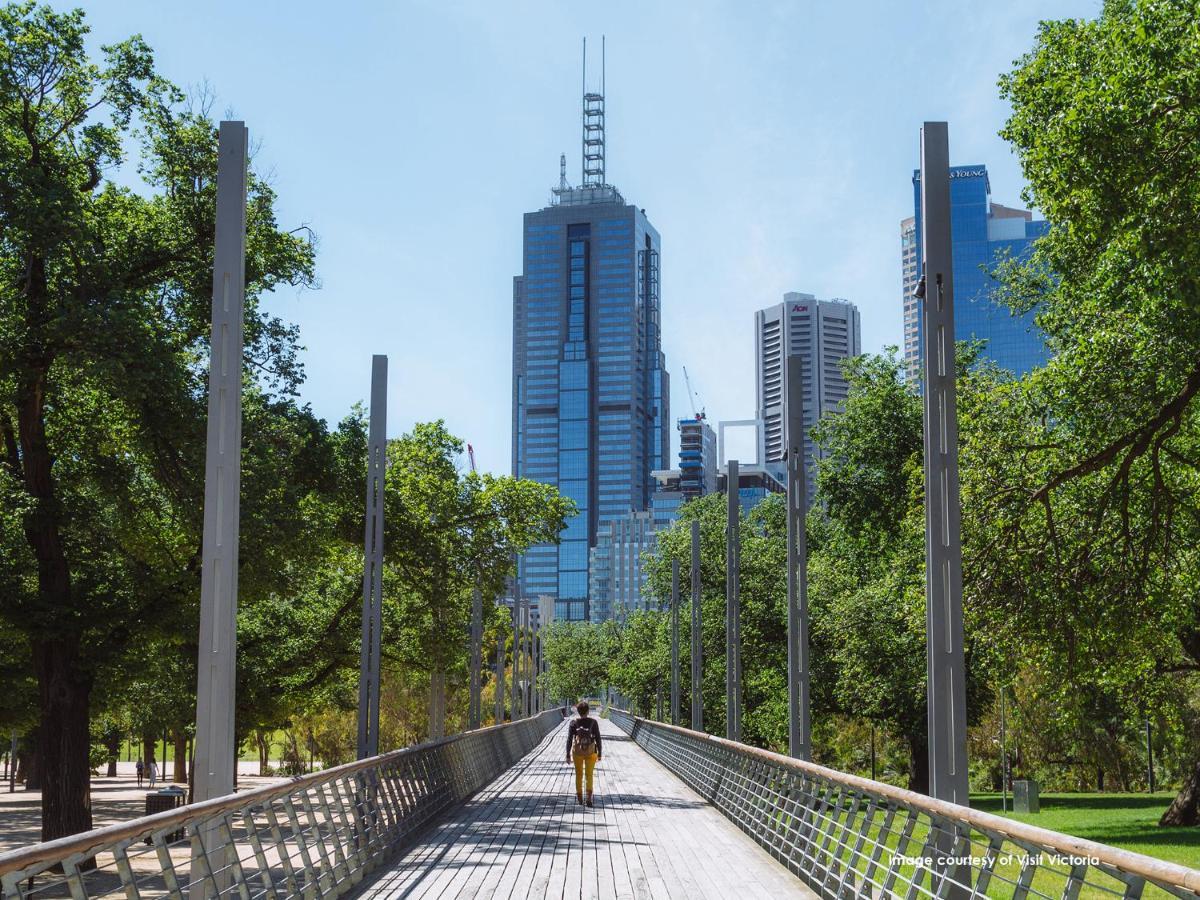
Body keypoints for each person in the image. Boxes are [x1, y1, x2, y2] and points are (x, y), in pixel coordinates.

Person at [566, 701, 602, 807]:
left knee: (579, 774)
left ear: (577, 711)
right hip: (591, 752)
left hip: (577, 752)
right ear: (588, 711)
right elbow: (598, 738)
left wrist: (567, 754)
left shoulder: (573, 723)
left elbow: (569, 739)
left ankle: (580, 798)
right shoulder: (593, 722)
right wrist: (600, 752)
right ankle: (589, 798)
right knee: (589, 774)